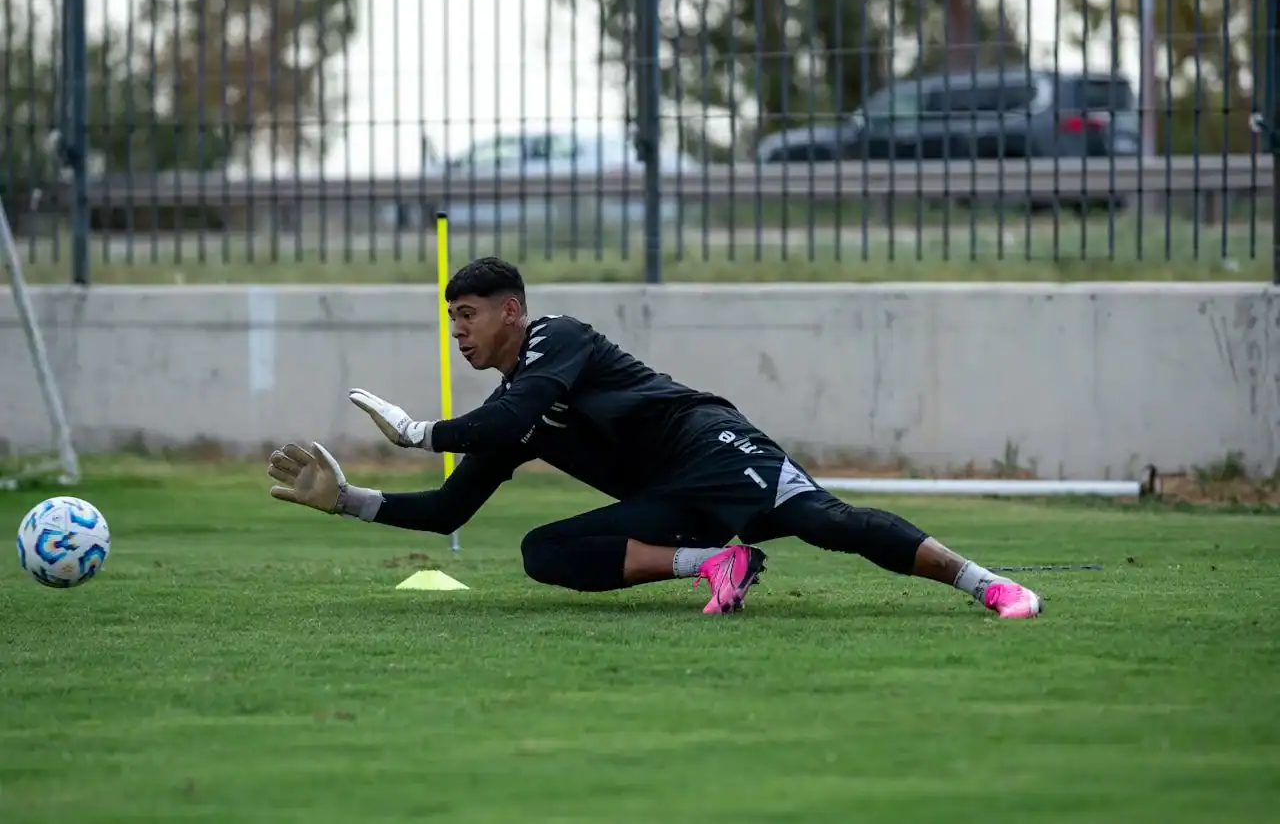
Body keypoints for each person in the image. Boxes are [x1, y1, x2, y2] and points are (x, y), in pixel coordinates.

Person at [266, 257, 1042, 619]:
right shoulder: (515, 406)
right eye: (450, 320)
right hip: (669, 501)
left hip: (711, 444)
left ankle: (988, 584)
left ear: (510, 311)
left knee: (829, 524)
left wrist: (415, 430)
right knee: (544, 552)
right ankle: (717, 563)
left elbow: (506, 417)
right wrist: (349, 502)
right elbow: (447, 509)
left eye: (467, 315)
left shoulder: (555, 340)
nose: (458, 332)